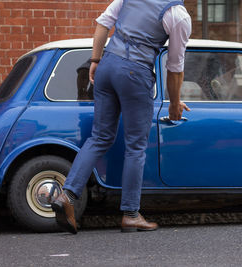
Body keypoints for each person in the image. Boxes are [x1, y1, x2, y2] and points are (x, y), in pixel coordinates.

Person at [51, 0, 192, 234]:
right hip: (135, 72)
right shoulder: (177, 14)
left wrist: (95, 61)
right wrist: (174, 103)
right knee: (136, 146)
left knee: (99, 137)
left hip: (107, 66)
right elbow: (175, 65)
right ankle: (130, 214)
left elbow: (102, 25)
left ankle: (67, 194)